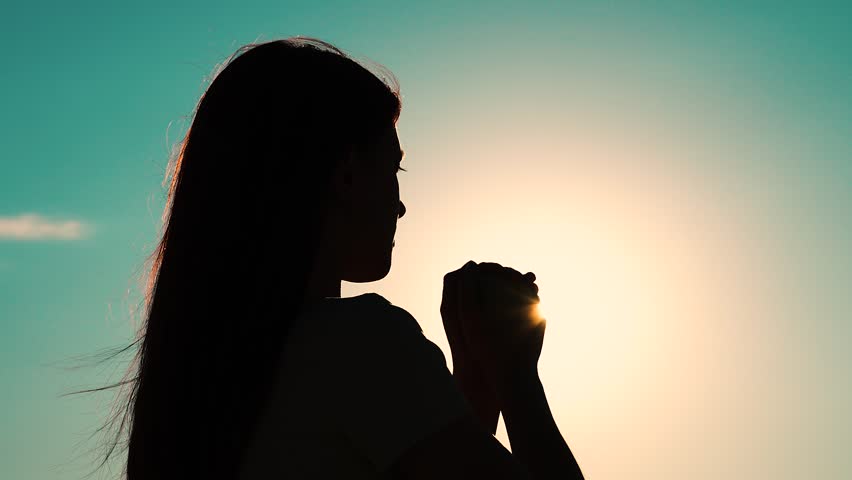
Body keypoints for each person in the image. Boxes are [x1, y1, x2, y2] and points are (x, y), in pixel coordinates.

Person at [90, 36, 584, 479]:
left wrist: (473, 376)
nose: (401, 204)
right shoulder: (360, 341)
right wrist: (515, 373)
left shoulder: (195, 391)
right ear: (345, 176)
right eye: (393, 168)